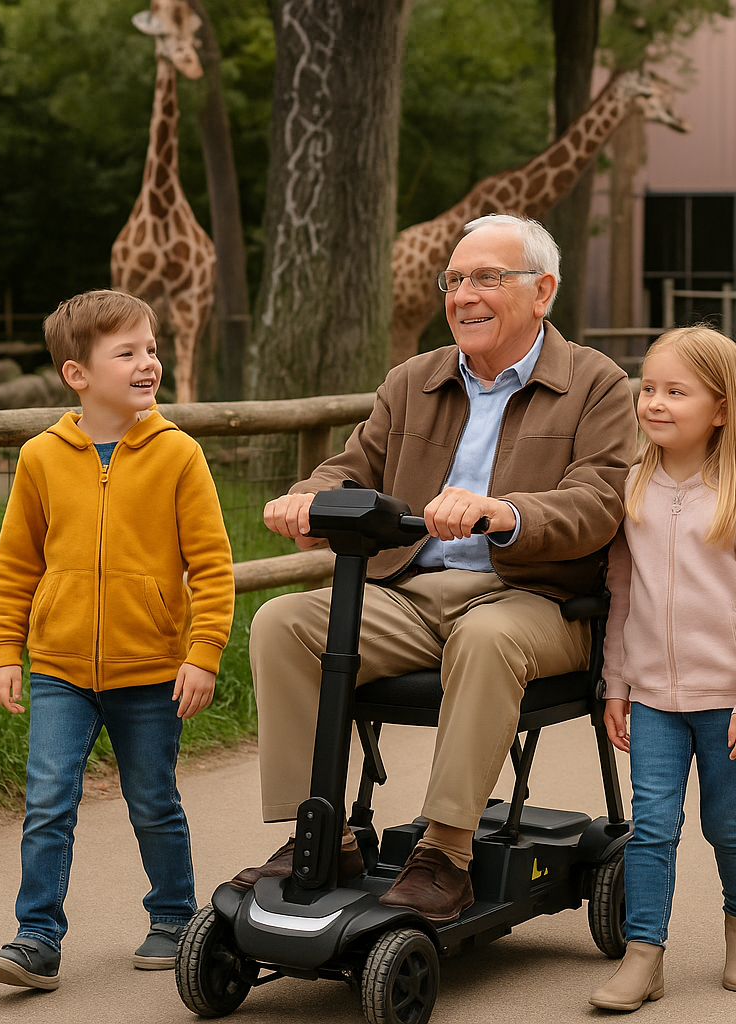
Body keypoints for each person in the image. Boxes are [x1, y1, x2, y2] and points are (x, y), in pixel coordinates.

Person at [230, 214, 638, 922]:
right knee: (283, 622)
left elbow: (598, 503)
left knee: (485, 640)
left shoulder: (596, 384)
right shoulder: (414, 379)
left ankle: (445, 853)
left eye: (487, 278)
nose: (463, 294)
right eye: (454, 280)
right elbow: (350, 467)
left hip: (535, 599)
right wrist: (306, 499)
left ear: (542, 292)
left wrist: (502, 511)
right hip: (412, 591)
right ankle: (319, 835)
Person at [0, 290, 234, 990]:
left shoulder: (179, 454)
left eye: (151, 348)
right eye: (128, 353)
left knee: (152, 799)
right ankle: (36, 938)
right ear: (77, 374)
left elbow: (212, 567)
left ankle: (175, 917)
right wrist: (7, 651)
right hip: (58, 669)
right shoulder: (41, 458)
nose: (148, 362)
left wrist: (202, 654)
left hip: (152, 670)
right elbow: (15, 565)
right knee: (47, 799)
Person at [589, 326, 736, 1012]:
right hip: (653, 701)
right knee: (651, 826)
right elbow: (621, 597)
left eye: (677, 391)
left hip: (727, 701)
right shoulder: (632, 490)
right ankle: (645, 956)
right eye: (648, 388)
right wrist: (616, 685)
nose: (656, 402)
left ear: (722, 408)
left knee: (728, 826)